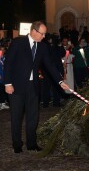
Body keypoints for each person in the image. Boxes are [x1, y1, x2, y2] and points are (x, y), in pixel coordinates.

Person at [4, 21, 69, 153]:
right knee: (16, 116)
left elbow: (50, 66)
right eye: (42, 33)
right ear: (33, 31)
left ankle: (31, 143)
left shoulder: (42, 47)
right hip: (16, 86)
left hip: (33, 86)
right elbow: (8, 63)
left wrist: (60, 82)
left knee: (33, 116)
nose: (44, 36)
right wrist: (7, 83)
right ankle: (17, 143)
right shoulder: (18, 42)